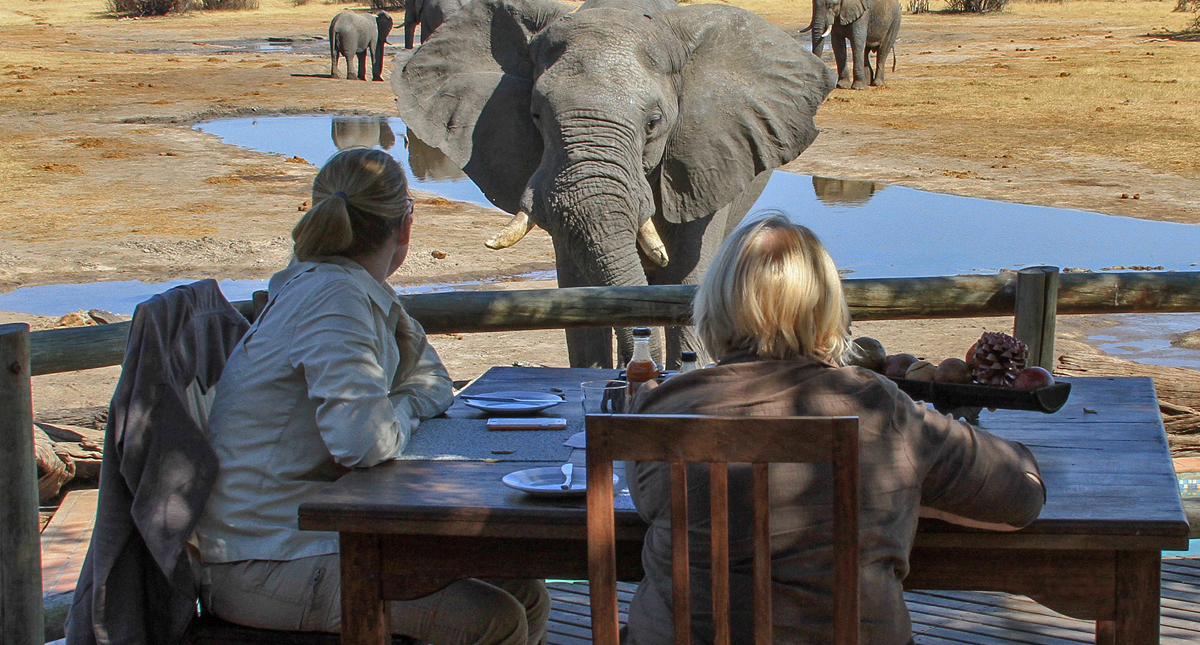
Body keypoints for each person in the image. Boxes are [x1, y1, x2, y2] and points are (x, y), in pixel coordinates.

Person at [624, 213, 1046, 645]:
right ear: (829, 311)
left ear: (713, 307)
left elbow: (648, 500)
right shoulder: (880, 408)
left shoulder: (661, 410)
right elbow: (1021, 497)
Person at [194, 148, 550, 645]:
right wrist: (402, 405)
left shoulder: (342, 287)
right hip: (262, 560)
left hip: (308, 536)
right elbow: (362, 441)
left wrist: (402, 365)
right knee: (495, 619)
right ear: (405, 227)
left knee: (525, 591)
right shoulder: (332, 299)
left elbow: (435, 383)